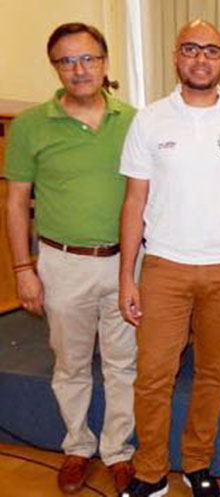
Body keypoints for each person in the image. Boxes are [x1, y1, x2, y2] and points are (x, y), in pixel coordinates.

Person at [118, 20, 220, 497]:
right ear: (176, 56)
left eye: (211, 50)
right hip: (164, 266)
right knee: (153, 377)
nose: (201, 59)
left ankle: (196, 463)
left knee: (212, 373)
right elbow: (133, 202)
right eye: (191, 49)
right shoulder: (149, 120)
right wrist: (127, 274)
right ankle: (150, 472)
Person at [5, 23, 137, 494]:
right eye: (67, 61)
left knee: (124, 364)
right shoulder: (30, 126)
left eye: (88, 59)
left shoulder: (135, 121)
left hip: (126, 265)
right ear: (56, 68)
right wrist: (24, 269)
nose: (79, 69)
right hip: (62, 264)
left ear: (105, 63)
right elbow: (17, 202)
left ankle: (119, 450)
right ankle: (78, 446)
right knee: (70, 364)